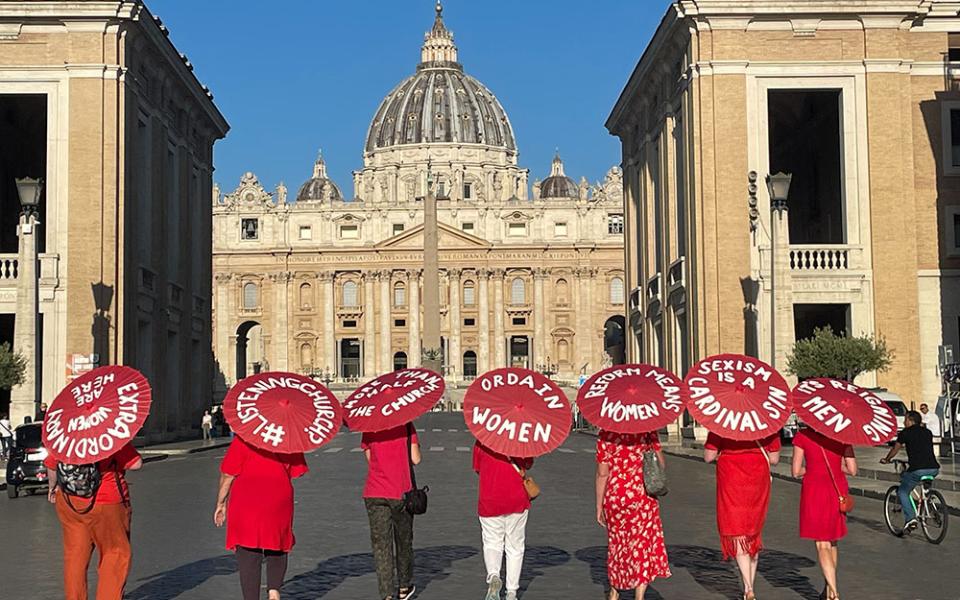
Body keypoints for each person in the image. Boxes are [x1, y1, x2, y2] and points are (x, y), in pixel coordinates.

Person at [214, 436, 308, 600]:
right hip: (278, 495)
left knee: (248, 550)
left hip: (247, 497)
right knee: (277, 543)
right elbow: (296, 471)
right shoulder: (289, 437)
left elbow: (228, 474)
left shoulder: (245, 437)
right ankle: (274, 590)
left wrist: (221, 503)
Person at [45, 443, 143, 600]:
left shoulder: (68, 436)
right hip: (106, 500)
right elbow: (136, 464)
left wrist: (52, 488)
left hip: (69, 500)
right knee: (114, 553)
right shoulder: (109, 435)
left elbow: (51, 465)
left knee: (75, 555)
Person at [704, 432, 780, 600]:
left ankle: (749, 588)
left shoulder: (722, 422)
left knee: (736, 528)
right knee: (752, 531)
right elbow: (774, 459)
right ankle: (748, 588)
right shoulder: (766, 422)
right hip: (758, 477)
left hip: (731, 476)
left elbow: (709, 457)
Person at [596, 431, 671, 600]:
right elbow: (660, 463)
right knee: (641, 546)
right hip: (642, 495)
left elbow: (602, 473)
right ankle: (639, 595)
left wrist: (599, 506)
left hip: (615, 496)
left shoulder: (605, 435)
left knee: (617, 545)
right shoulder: (647, 431)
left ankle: (614, 591)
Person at [791, 427, 856, 600]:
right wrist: (837, 465)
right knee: (832, 541)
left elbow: (796, 471)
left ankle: (834, 592)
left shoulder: (803, 436)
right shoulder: (843, 436)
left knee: (822, 544)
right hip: (837, 490)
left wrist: (812, 468)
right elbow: (852, 470)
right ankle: (828, 591)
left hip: (815, 491)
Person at [361, 423, 421, 600]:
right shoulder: (407, 426)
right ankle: (404, 587)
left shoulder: (369, 427)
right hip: (401, 491)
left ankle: (386, 594)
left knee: (381, 546)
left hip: (374, 492)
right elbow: (416, 459)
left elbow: (370, 459)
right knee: (404, 541)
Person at [473, 441, 533, 600]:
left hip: (490, 498)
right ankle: (512, 591)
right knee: (515, 547)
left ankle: (493, 576)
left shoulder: (484, 439)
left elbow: (478, 468)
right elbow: (528, 463)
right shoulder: (521, 438)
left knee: (492, 542)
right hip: (516, 498)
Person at [881, 410, 940, 530]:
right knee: (923, 483)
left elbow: (895, 449)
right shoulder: (927, 432)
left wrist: (887, 459)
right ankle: (927, 498)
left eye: (906, 419)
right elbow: (921, 449)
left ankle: (910, 519)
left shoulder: (905, 433)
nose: (904, 421)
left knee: (903, 491)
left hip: (918, 469)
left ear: (911, 420)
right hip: (934, 468)